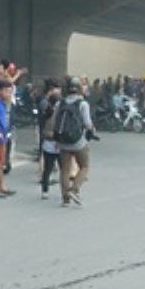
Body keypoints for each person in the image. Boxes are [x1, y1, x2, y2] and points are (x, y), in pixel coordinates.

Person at [55, 77, 94, 208]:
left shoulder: (59, 103)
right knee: (85, 165)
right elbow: (87, 123)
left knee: (64, 170)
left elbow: (55, 120)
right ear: (79, 89)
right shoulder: (83, 104)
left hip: (62, 141)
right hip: (77, 141)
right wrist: (93, 130)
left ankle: (65, 199)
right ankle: (74, 189)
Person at [37, 83, 61, 201]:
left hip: (47, 142)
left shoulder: (46, 111)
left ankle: (44, 191)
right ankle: (65, 191)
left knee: (47, 168)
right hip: (58, 143)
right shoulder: (59, 113)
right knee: (63, 168)